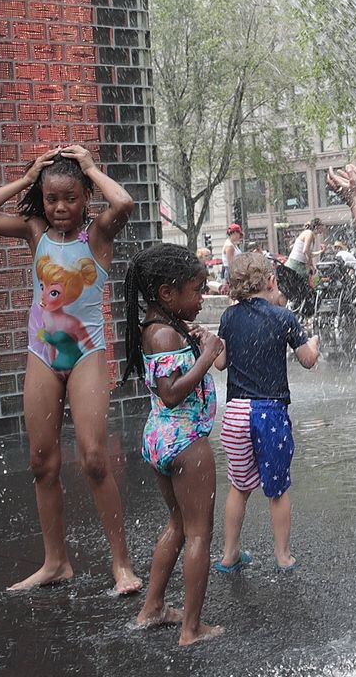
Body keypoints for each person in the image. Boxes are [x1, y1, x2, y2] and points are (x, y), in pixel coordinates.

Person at [0, 145, 143, 593]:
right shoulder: (34, 231)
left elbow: (123, 203)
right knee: (42, 462)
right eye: (51, 198)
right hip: (42, 354)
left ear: (84, 198)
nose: (60, 208)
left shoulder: (98, 235)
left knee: (95, 459)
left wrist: (91, 168)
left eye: (71, 198)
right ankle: (55, 562)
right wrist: (26, 180)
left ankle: (121, 565)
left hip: (85, 356)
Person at [125, 243, 227, 646]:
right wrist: (204, 355)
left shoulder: (159, 328)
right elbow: (171, 392)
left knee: (179, 525)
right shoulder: (165, 333)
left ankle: (152, 607)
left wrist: (204, 344)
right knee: (200, 533)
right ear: (168, 293)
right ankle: (191, 628)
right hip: (184, 439)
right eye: (197, 290)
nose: (202, 298)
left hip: (161, 436)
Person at [214, 251, 320, 573]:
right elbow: (308, 360)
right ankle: (283, 556)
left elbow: (220, 363)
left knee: (239, 486)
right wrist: (313, 342)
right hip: (268, 414)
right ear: (271, 281)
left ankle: (230, 554)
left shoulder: (229, 318)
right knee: (277, 489)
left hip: (234, 413)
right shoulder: (283, 317)